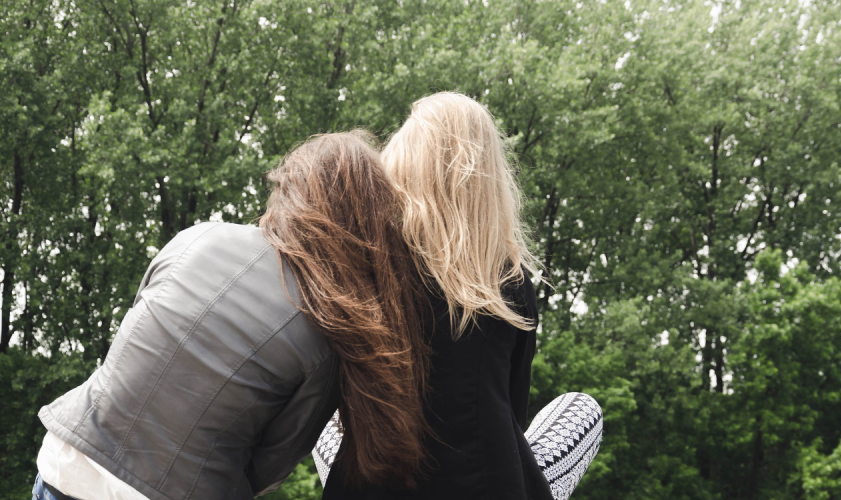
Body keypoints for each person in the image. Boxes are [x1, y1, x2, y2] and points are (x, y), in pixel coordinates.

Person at [33, 132, 431, 500]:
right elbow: (270, 467)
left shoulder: (196, 237)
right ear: (365, 227)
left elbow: (137, 340)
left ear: (288, 188)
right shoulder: (326, 332)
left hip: (67, 463)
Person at [315, 93, 604, 500]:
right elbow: (513, 412)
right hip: (494, 486)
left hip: (373, 483)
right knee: (581, 410)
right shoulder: (509, 281)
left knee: (326, 426)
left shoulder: (372, 270)